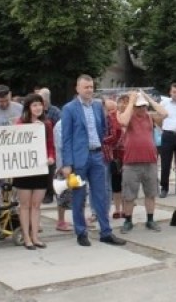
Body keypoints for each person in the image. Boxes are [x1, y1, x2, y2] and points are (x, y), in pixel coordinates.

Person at [61, 74, 125, 247]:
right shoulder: (69, 109)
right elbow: (65, 138)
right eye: (85, 87)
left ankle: (106, 232)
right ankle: (81, 232)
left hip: (97, 157)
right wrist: (67, 163)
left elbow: (103, 129)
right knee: (79, 197)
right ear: (77, 88)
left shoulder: (98, 107)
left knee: (101, 196)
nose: (89, 90)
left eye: (91, 87)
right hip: (79, 159)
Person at [117, 91, 167, 234]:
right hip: (131, 163)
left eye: (144, 106)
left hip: (150, 162)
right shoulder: (128, 116)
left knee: (151, 193)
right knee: (129, 195)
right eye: (139, 106)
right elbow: (123, 122)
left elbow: (164, 113)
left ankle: (150, 220)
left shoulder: (150, 117)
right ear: (134, 107)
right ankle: (128, 220)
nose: (142, 109)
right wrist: (132, 101)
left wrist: (148, 99)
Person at [13, 93, 55, 249]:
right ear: (28, 108)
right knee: (25, 205)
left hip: (41, 168)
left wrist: (51, 157)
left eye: (40, 104)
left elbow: (51, 145)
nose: (38, 108)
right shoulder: (20, 123)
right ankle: (26, 237)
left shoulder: (47, 124)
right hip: (25, 169)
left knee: (36, 204)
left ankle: (35, 236)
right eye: (34, 105)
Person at [103, 96, 125, 219]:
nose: (111, 113)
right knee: (116, 183)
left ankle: (124, 209)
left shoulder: (121, 118)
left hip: (123, 154)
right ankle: (117, 209)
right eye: (109, 110)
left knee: (123, 183)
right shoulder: (107, 119)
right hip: (114, 155)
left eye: (113, 109)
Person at [38, 87, 61, 204]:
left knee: (50, 171)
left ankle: (50, 194)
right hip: (39, 145)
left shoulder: (55, 111)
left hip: (51, 144)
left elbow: (59, 127)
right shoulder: (38, 111)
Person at [53, 119, 73, 232]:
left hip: (78, 161)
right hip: (64, 163)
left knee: (80, 190)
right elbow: (61, 145)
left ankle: (79, 218)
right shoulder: (60, 125)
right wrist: (63, 165)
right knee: (63, 193)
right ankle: (60, 221)